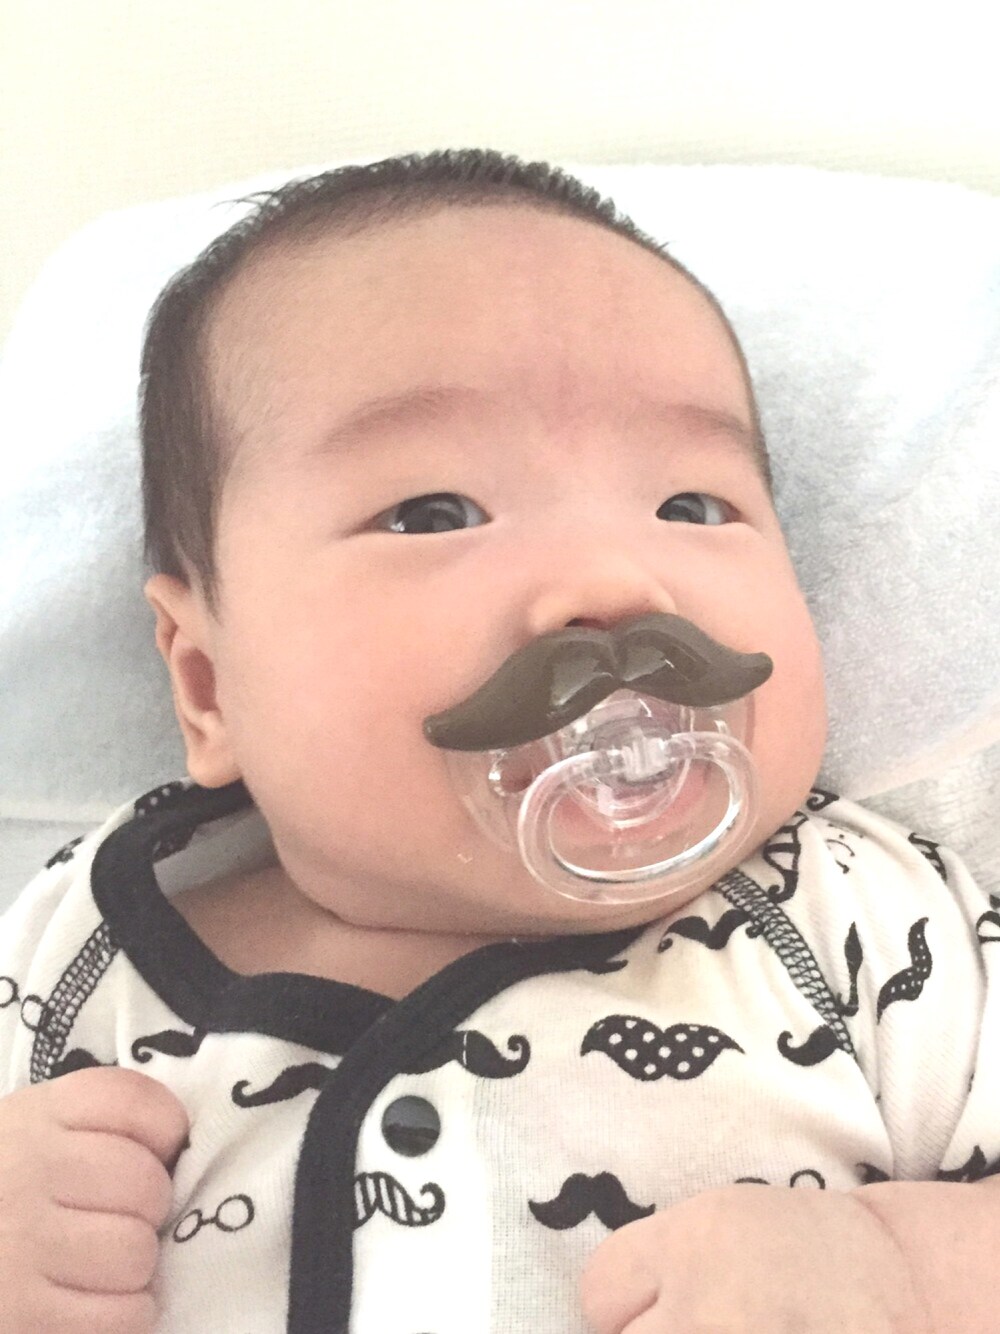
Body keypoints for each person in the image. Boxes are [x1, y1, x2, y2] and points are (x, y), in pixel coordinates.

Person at [1, 148, 997, 1334]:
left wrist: (909, 1269)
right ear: (208, 684)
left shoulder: (859, 920)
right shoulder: (82, 947)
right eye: (433, 512)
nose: (613, 582)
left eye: (692, 504)